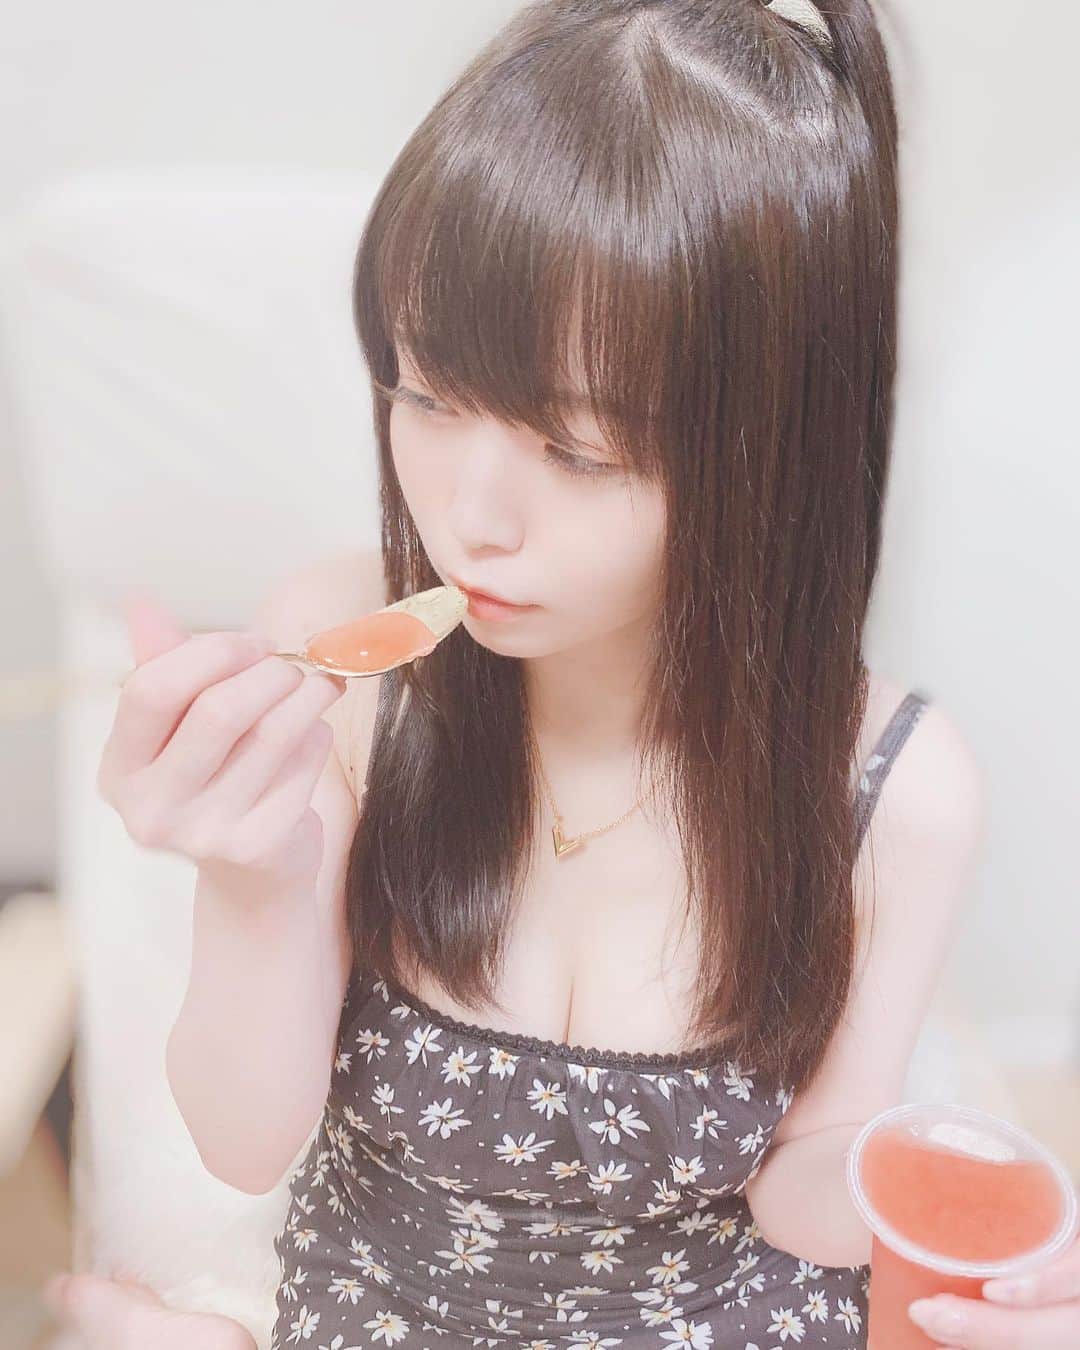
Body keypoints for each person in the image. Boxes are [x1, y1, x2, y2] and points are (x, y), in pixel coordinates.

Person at [41, 0, 1080, 1346]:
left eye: (577, 451)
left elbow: (807, 1200)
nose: (470, 516)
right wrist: (252, 877)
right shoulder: (353, 655)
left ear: (770, 455)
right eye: (428, 394)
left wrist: (954, 1212)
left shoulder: (893, 790)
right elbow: (243, 1144)